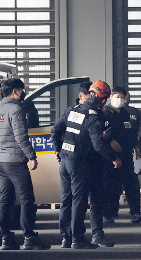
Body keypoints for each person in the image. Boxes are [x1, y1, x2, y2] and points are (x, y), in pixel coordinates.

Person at [52, 80, 121, 249]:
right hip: (80, 163)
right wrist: (113, 158)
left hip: (65, 160)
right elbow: (98, 144)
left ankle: (66, 238)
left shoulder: (72, 110)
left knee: (66, 199)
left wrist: (57, 150)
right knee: (79, 200)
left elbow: (55, 130)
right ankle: (78, 239)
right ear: (103, 100)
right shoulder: (93, 116)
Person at [0, 78, 50, 251]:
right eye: (22, 90)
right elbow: (21, 136)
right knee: (27, 199)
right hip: (16, 160)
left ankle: (6, 238)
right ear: (16, 91)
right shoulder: (16, 110)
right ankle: (29, 237)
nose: (23, 93)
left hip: (1, 160)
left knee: (5, 199)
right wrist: (31, 156)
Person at [103, 87, 141, 224]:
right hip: (110, 156)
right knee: (111, 185)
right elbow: (98, 133)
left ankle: (135, 212)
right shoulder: (105, 113)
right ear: (111, 97)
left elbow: (132, 133)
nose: (119, 100)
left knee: (131, 183)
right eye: (117, 96)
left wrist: (136, 147)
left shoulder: (126, 114)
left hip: (127, 154)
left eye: (122, 97)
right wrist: (110, 142)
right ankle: (108, 214)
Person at [124, 92, 141, 158]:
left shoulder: (112, 112)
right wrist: (138, 145)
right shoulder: (136, 112)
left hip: (117, 147)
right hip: (133, 147)